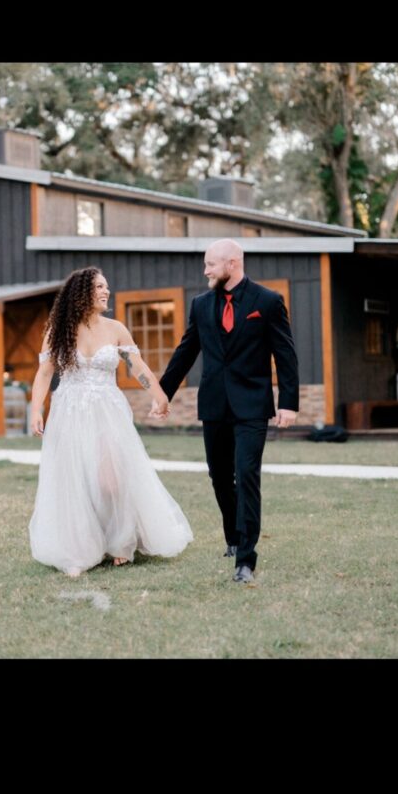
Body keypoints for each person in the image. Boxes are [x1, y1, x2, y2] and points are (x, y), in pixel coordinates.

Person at [28, 266, 193, 577]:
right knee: (74, 480)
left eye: (107, 286)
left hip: (107, 412)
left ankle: (121, 541)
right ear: (81, 294)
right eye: (100, 287)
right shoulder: (57, 329)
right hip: (70, 412)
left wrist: (159, 395)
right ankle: (78, 550)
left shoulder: (116, 328)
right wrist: (37, 409)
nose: (107, 292)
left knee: (110, 480)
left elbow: (136, 365)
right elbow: (45, 373)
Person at [156, 239, 299, 585]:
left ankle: (246, 561)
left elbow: (285, 354)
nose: (205, 271)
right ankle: (233, 538)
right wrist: (163, 393)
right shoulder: (201, 304)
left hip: (252, 405)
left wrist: (289, 403)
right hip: (215, 405)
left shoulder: (267, 302)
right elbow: (186, 351)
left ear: (232, 264)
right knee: (220, 476)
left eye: (210, 264)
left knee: (246, 473)